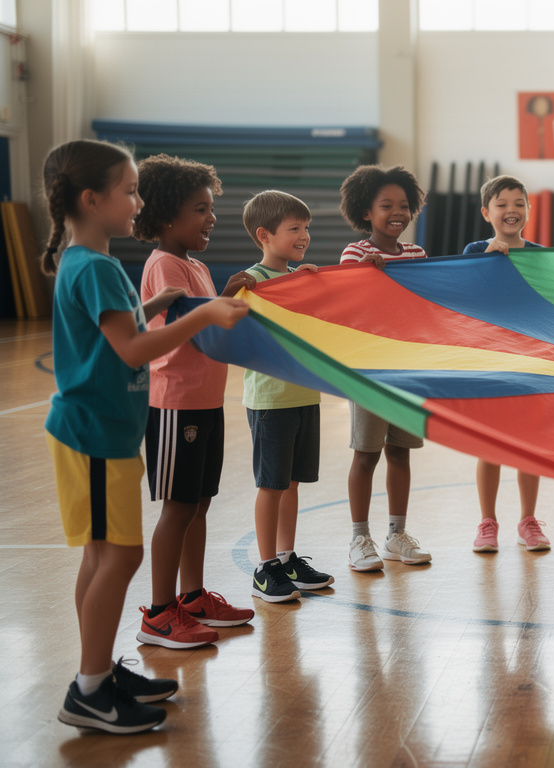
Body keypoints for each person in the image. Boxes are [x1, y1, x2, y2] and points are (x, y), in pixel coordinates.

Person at [42, 139, 247, 733]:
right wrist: (202, 314)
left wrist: (157, 302)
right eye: (129, 192)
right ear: (91, 199)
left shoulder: (87, 263)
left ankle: (99, 672)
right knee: (121, 555)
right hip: (94, 435)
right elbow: (132, 349)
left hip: (97, 433)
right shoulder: (97, 267)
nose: (138, 203)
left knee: (100, 555)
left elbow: (117, 331)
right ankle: (89, 690)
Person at [133, 154, 257, 650]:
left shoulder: (195, 265)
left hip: (205, 401)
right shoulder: (164, 264)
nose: (211, 218)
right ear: (167, 216)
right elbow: (175, 330)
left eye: (211, 208)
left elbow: (202, 318)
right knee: (179, 506)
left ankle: (193, 596)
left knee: (199, 503)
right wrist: (217, 308)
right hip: (175, 403)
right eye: (200, 210)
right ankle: (160, 613)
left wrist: (227, 293)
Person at [337, 165, 432, 572]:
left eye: (404, 206)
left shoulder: (416, 255)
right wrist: (368, 275)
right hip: (369, 371)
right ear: (366, 212)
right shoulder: (356, 254)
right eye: (386, 206)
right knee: (366, 455)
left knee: (401, 453)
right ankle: (359, 538)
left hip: (407, 371)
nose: (397, 213)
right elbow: (348, 301)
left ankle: (397, 534)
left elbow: (425, 304)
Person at [241, 190, 333, 601]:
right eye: (294, 228)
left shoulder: (298, 277)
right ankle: (266, 568)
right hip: (271, 400)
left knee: (292, 483)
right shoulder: (252, 282)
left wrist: (309, 286)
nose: (304, 235)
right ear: (264, 235)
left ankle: (286, 557)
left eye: (306, 228)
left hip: (304, 396)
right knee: (272, 484)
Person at [462, 175, 549, 552]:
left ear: (529, 210)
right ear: (487, 213)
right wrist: (487, 259)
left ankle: (528, 520)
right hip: (489, 361)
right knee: (489, 445)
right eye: (502, 204)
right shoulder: (474, 251)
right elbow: (465, 295)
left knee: (529, 443)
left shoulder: (541, 255)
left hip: (531, 362)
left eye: (518, 204)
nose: (511, 210)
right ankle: (487, 522)